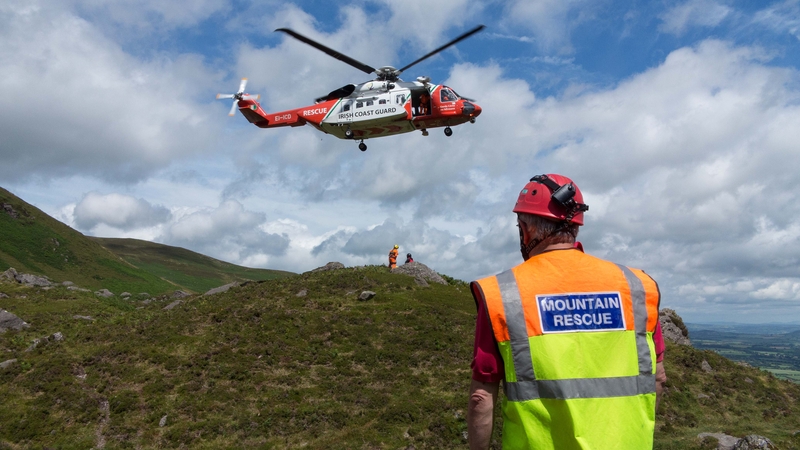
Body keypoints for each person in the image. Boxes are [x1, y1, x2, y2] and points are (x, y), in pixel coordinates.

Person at [467, 174, 667, 450]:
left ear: (525, 230)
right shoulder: (638, 287)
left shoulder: (502, 294)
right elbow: (657, 378)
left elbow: (481, 397)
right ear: (575, 227)